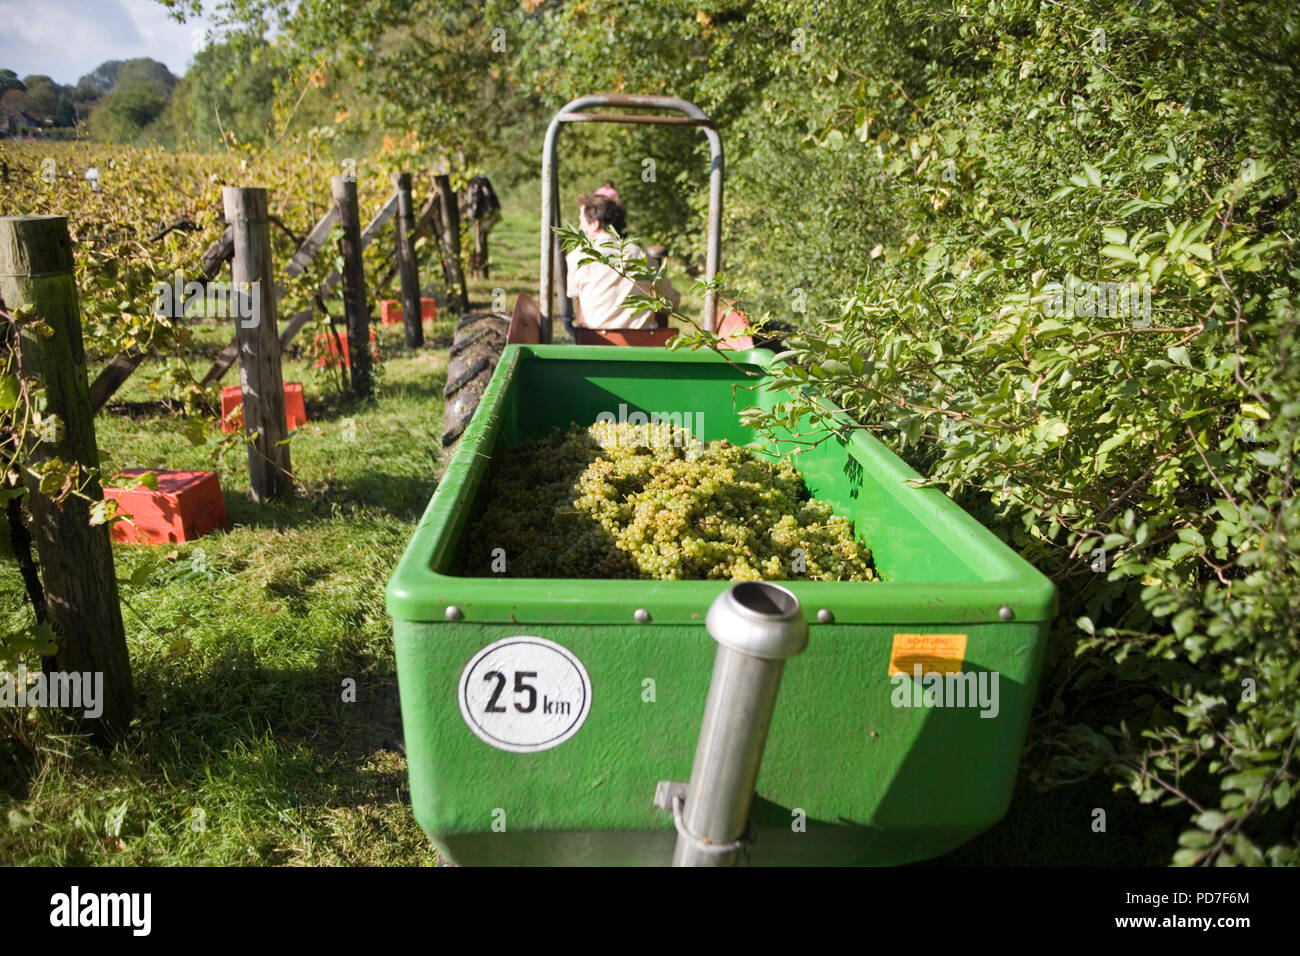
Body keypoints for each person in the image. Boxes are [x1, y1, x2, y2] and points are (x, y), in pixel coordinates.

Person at [565, 192, 679, 333]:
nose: (579, 228)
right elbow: (670, 302)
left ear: (594, 224)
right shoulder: (639, 254)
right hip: (644, 344)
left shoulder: (576, 257)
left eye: (581, 222)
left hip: (597, 343)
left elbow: (579, 306)